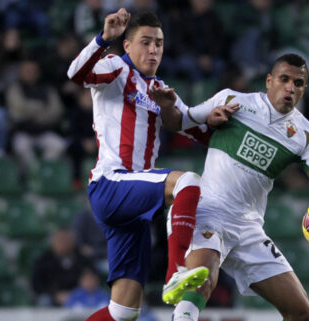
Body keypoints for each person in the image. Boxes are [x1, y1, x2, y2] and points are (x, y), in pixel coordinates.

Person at [150, 54, 309, 321]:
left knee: (301, 313)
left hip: (248, 226)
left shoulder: (306, 134)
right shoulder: (231, 99)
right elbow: (179, 121)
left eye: (298, 83)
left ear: (304, 89)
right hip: (208, 209)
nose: (290, 88)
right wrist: (168, 107)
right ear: (269, 81)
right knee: (202, 278)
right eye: (284, 80)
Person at [66, 9, 236, 321]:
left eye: (158, 43)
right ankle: (176, 271)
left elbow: (190, 125)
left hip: (133, 204)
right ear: (128, 46)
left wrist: (211, 119)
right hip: (112, 182)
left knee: (123, 311)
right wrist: (104, 39)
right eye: (145, 42)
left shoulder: (159, 88)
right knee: (187, 182)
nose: (153, 50)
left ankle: (172, 274)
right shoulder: (116, 68)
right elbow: (76, 74)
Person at [31, 228, 93, 306]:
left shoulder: (82, 259)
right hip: (53, 297)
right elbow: (37, 285)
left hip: (79, 296)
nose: (63, 244)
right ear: (53, 242)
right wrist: (55, 295)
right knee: (44, 301)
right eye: (60, 240)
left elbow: (91, 277)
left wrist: (80, 290)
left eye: (66, 240)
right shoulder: (43, 260)